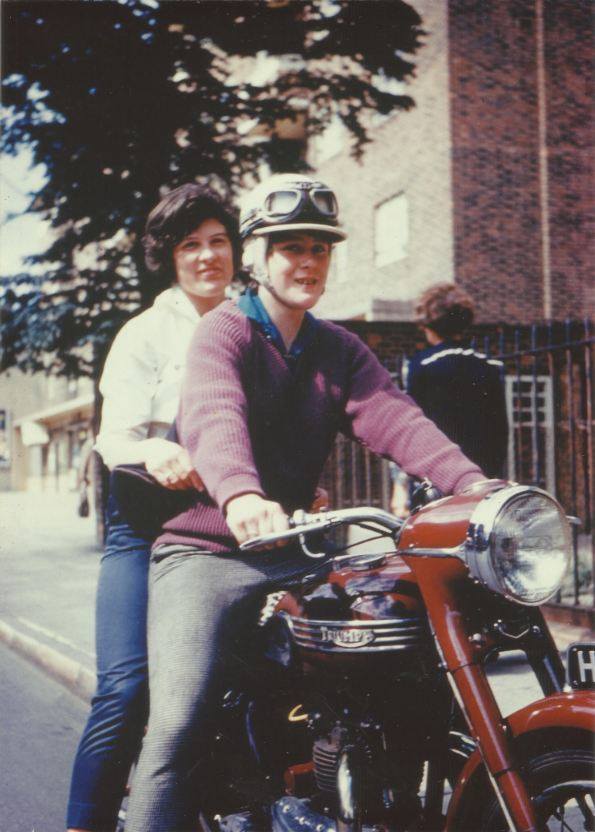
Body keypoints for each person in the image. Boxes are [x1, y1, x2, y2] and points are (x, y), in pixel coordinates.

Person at [123, 174, 486, 832]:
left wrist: (474, 486)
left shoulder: (337, 348)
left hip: (294, 547)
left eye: (319, 248)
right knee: (178, 722)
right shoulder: (223, 332)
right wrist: (240, 494)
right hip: (207, 551)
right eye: (290, 247)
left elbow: (395, 418)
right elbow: (214, 416)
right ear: (256, 257)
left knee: (400, 658)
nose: (308, 262)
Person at [66, 183, 240, 832]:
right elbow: (112, 439)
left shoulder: (253, 322)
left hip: (228, 529)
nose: (207, 255)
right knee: (127, 689)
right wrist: (153, 450)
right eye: (190, 244)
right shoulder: (144, 334)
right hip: (145, 529)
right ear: (169, 257)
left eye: (218, 240)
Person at [390, 283, 508, 516]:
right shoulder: (491, 366)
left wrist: (400, 484)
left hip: (433, 479)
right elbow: (500, 431)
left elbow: (410, 427)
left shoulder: (420, 366)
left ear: (428, 325)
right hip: (479, 479)